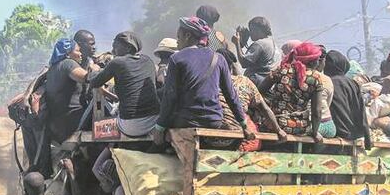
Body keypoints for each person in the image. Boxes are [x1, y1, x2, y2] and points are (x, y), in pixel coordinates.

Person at [153, 16, 253, 146]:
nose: (177, 41)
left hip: (185, 121)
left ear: (188, 35)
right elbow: (231, 95)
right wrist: (243, 124)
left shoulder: (176, 58)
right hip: (213, 121)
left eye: (179, 37)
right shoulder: (219, 59)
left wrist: (160, 128)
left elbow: (170, 96)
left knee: (159, 143)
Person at [87, 31, 160, 137]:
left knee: (101, 129)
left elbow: (94, 83)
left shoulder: (117, 62)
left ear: (128, 48)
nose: (112, 51)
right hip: (155, 120)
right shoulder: (148, 61)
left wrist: (94, 69)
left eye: (115, 47)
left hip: (130, 125)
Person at [260, 41, 329, 141]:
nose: (318, 63)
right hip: (299, 127)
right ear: (312, 61)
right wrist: (315, 132)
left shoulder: (281, 70)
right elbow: (317, 112)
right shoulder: (315, 78)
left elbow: (259, 92)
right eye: (318, 60)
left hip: (275, 125)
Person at [44, 38, 93, 143]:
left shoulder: (53, 68)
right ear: (67, 53)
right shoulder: (68, 63)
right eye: (77, 51)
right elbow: (87, 78)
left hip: (57, 122)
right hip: (73, 120)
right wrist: (97, 70)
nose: (80, 54)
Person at [324, 49, 372, 146]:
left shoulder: (327, 82)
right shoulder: (353, 84)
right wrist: (367, 138)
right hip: (353, 134)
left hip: (336, 132)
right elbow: (361, 110)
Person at [236, 16, 277, 84]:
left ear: (258, 30)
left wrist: (237, 42)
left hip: (254, 81)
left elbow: (244, 63)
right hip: (264, 82)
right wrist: (242, 43)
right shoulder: (271, 42)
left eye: (252, 30)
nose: (250, 33)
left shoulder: (259, 44)